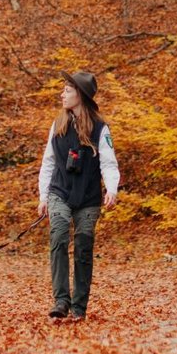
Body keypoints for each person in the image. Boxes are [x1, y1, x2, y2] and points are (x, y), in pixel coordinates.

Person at [37, 71, 119, 321]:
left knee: (84, 245)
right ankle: (61, 301)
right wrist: (43, 196)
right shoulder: (57, 125)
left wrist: (112, 187)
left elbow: (109, 163)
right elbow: (48, 163)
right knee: (59, 236)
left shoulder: (100, 128)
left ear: (80, 95)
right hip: (59, 192)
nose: (62, 94)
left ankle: (79, 307)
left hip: (89, 197)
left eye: (67, 90)